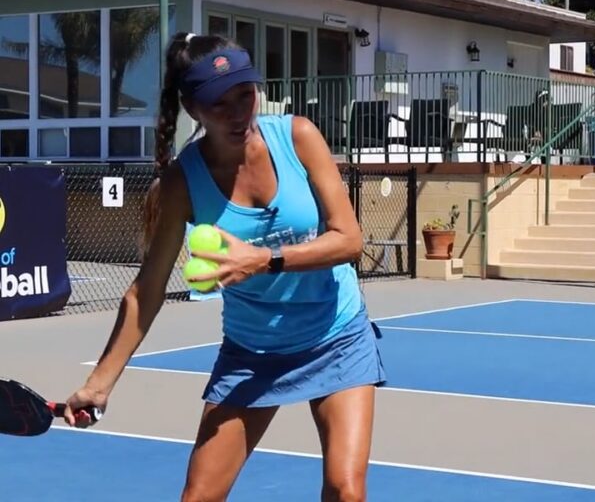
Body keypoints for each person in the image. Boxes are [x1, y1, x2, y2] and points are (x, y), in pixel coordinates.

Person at [64, 32, 386, 502]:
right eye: (219, 103)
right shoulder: (182, 183)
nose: (239, 113)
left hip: (334, 335)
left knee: (345, 490)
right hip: (251, 351)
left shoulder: (297, 137)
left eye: (245, 95)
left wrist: (263, 260)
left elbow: (349, 240)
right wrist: (99, 384)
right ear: (193, 109)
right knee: (198, 497)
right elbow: (146, 290)